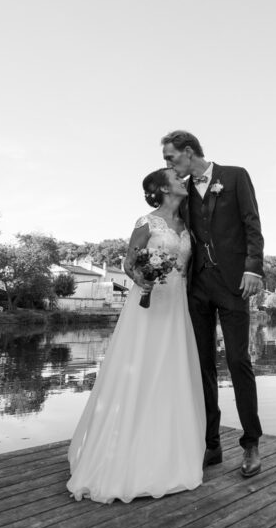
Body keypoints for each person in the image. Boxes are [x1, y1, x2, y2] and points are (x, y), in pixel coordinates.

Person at [66, 168, 204, 503]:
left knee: (170, 372)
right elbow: (129, 263)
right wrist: (141, 278)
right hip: (149, 302)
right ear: (162, 188)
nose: (181, 179)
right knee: (140, 368)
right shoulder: (147, 222)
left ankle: (167, 454)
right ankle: (122, 457)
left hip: (176, 306)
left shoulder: (187, 226)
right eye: (175, 177)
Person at [161, 130, 265, 477]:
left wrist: (254, 269)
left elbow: (253, 226)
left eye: (171, 157)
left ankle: (251, 445)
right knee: (202, 366)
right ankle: (211, 445)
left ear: (189, 152)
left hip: (235, 282)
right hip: (197, 286)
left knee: (238, 361)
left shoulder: (235, 176)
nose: (168, 165)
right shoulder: (183, 190)